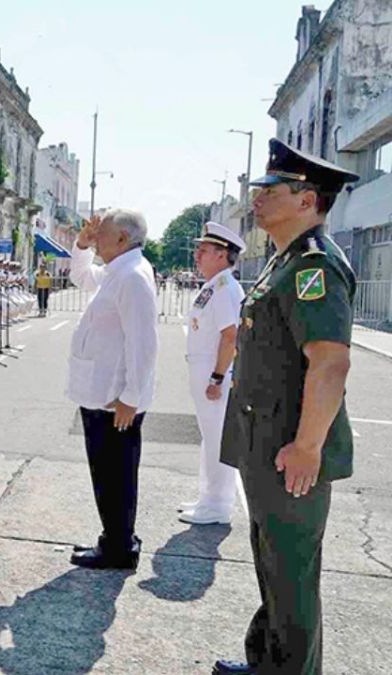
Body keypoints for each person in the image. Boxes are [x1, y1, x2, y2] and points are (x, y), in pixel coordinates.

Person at [212, 139, 359, 675]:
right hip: (267, 443)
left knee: (291, 573)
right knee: (274, 565)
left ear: (306, 199)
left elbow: (330, 364)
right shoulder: (288, 260)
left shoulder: (313, 266)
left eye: (272, 190)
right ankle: (268, 664)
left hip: (288, 448)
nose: (259, 199)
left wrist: (307, 446)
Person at [65, 208, 158, 570]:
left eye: (102, 232)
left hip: (114, 399)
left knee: (113, 474)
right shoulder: (120, 270)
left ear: (123, 238)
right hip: (103, 393)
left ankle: (117, 547)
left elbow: (144, 344)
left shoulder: (132, 276)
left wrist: (131, 397)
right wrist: (82, 244)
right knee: (110, 472)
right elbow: (81, 277)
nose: (95, 234)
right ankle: (118, 537)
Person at [178, 221, 246, 526]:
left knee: (218, 439)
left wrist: (217, 377)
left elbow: (230, 336)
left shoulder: (225, 288)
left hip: (214, 372)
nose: (197, 255)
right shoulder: (213, 285)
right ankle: (208, 498)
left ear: (222, 255)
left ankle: (219, 505)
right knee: (209, 437)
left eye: (203, 250)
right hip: (204, 368)